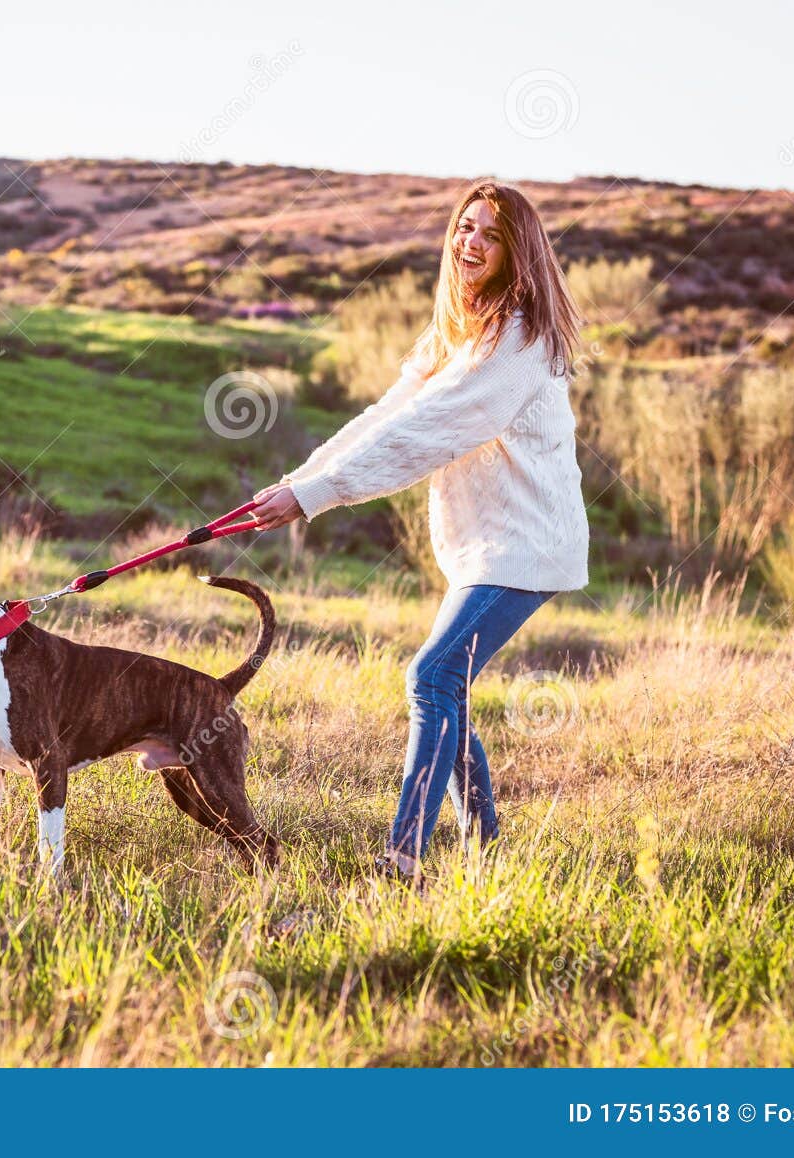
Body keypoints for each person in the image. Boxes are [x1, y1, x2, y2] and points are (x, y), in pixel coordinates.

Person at [250, 179, 590, 879]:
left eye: (491, 235)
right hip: (484, 550)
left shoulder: (518, 342)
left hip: (528, 549)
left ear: (517, 252)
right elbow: (391, 416)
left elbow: (430, 434)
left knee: (431, 677)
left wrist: (314, 498)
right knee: (449, 687)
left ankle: (403, 856)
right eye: (465, 228)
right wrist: (300, 483)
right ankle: (486, 852)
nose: (471, 243)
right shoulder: (459, 336)